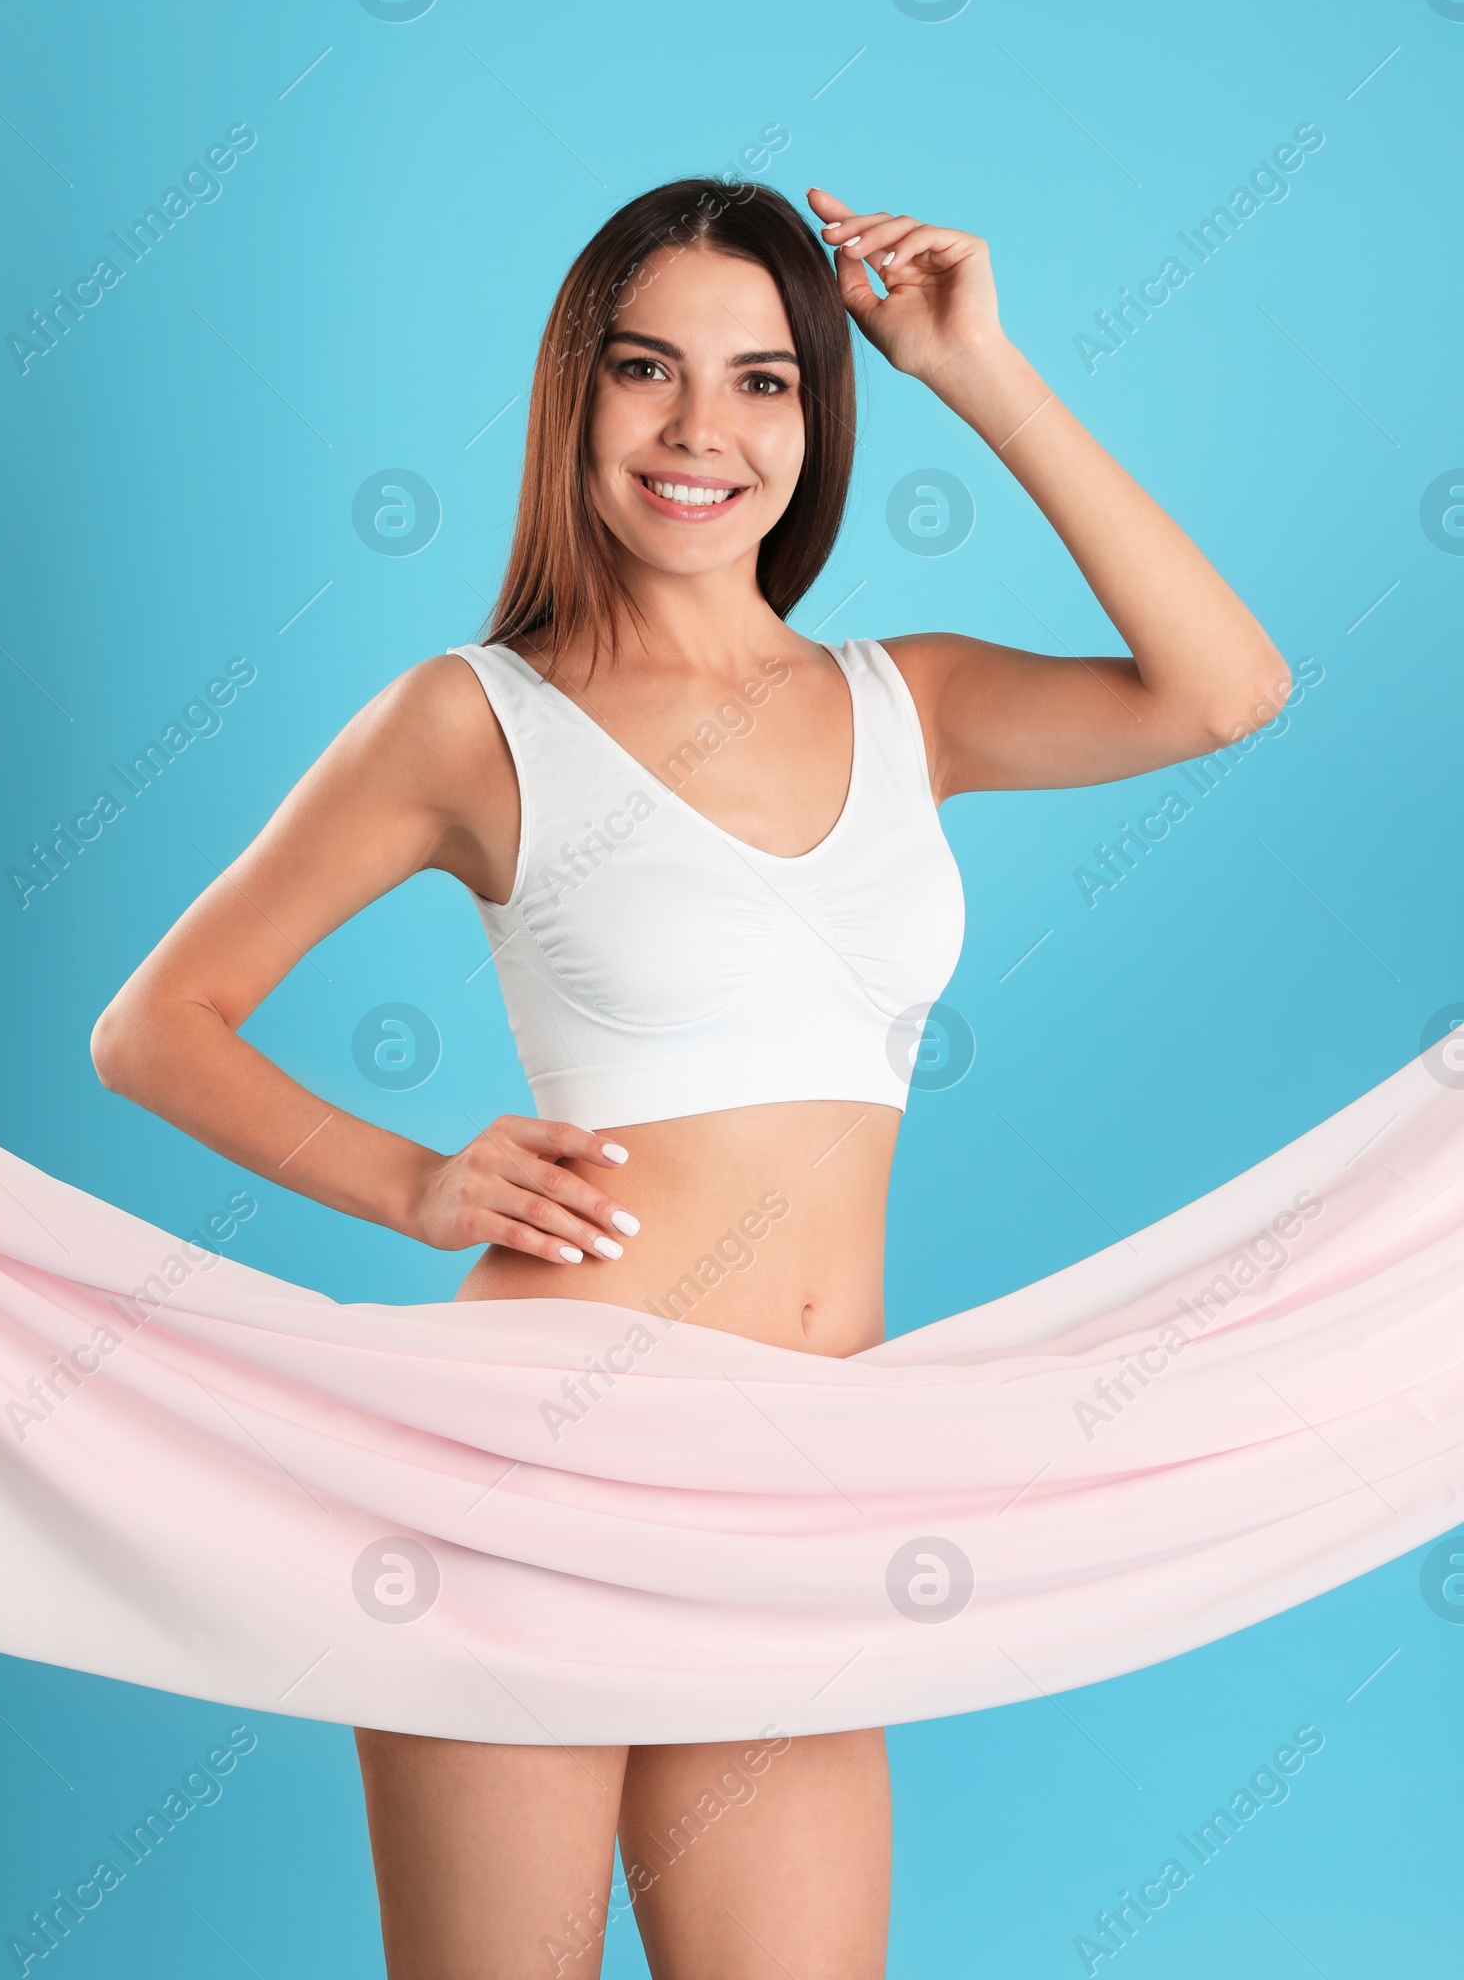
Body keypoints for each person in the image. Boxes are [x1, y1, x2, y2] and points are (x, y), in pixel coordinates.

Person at [82, 175, 1294, 1978]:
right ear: (575, 396)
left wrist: (984, 366)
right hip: (537, 1477)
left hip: (809, 1490)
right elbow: (152, 1025)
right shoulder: (472, 718)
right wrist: (412, 1183)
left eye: (763, 380)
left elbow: (1227, 689)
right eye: (646, 369)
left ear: (820, 413)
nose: (699, 429)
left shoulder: (915, 702)